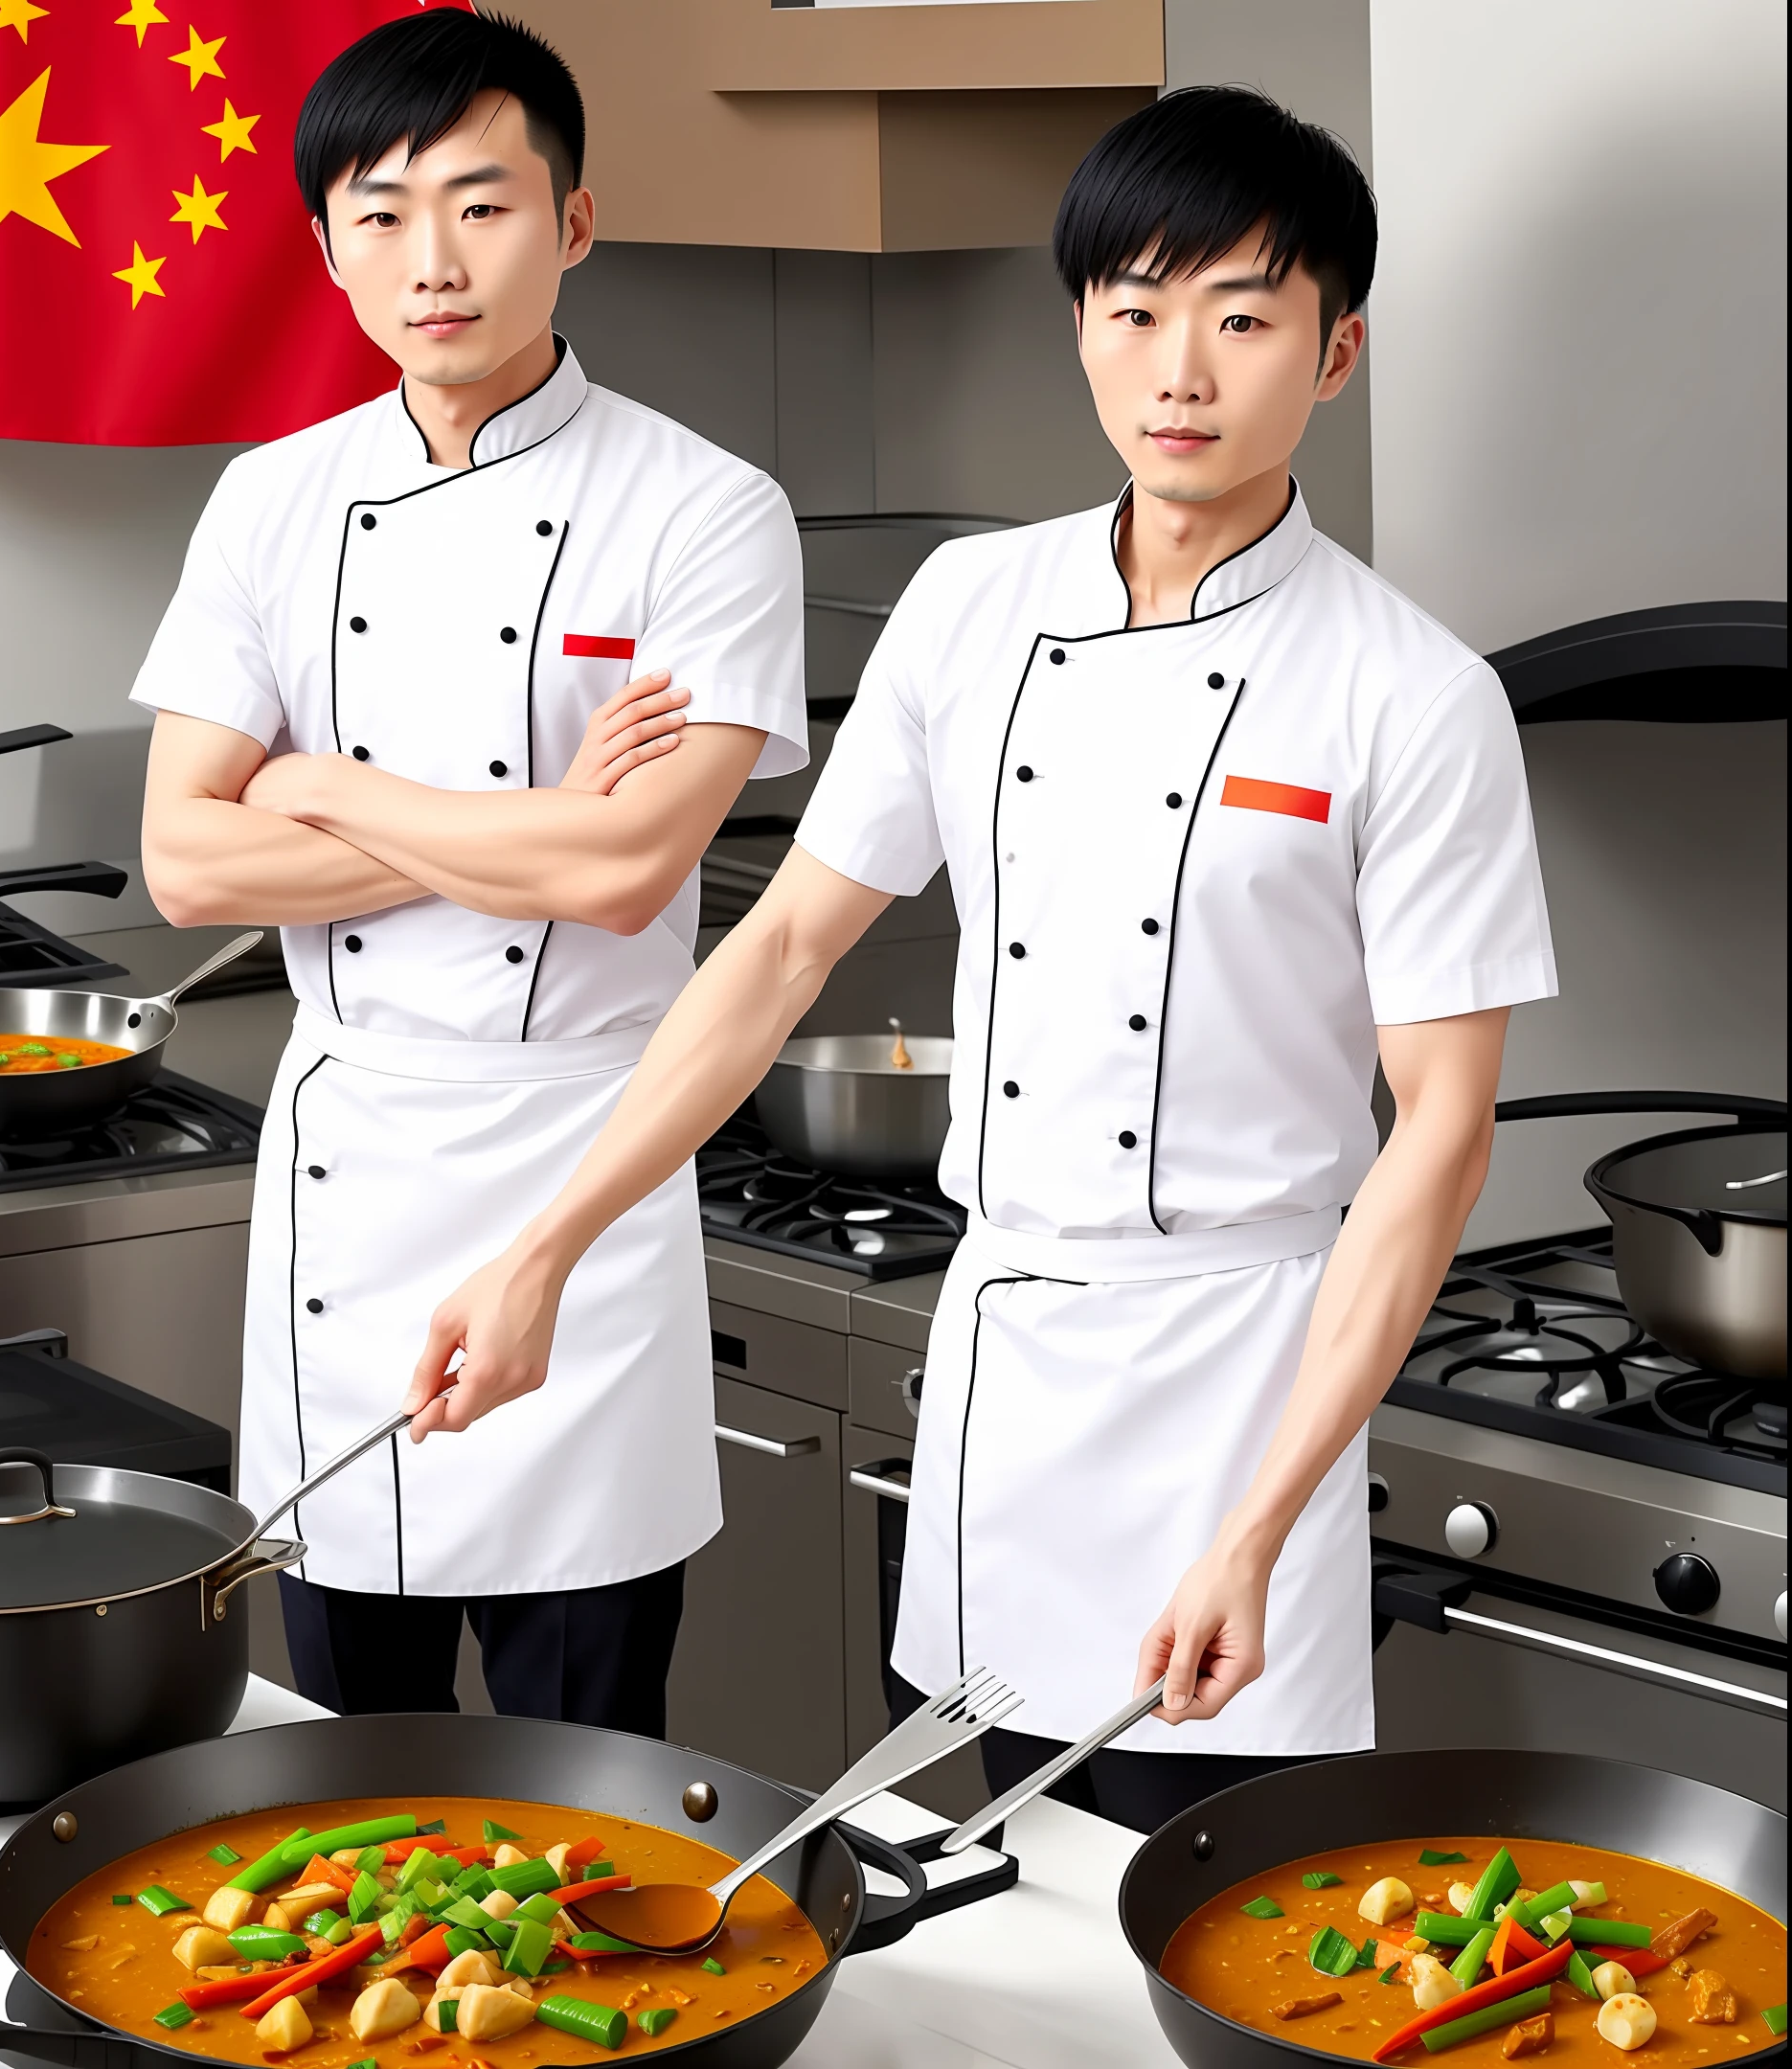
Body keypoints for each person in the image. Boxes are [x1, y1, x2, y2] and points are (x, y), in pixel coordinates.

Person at [393, 86, 1556, 1830]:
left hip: (1245, 1378)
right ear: (1082, 328)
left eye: (1243, 320)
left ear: (1335, 354)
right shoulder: (971, 608)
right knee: (980, 1899)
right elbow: (781, 944)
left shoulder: (1414, 695)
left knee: (1211, 1922)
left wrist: (1260, 1523)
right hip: (1005, 1365)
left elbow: (1441, 1132)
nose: (1181, 372)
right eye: (1138, 312)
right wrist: (548, 1244)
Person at [133, 11, 805, 1731]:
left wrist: (316, 779)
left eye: (483, 205)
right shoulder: (271, 502)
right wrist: (515, 844)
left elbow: (628, 868)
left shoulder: (706, 509)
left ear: (572, 224)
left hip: (583, 1164)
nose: (433, 260)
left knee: (587, 1765)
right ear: (326, 247)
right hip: (347, 1178)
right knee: (345, 1754)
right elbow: (189, 864)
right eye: (382, 211)